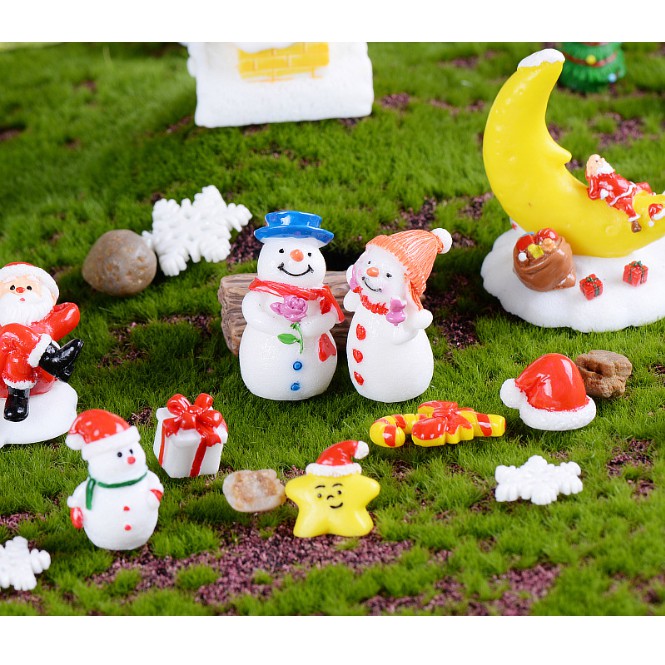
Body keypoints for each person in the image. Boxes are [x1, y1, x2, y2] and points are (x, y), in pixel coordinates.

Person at [0, 262, 83, 422]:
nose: (20, 290)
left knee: (18, 347)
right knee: (11, 332)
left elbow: (71, 310)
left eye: (29, 287)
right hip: (1, 376)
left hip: (41, 376)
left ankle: (18, 398)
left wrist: (49, 303)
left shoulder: (47, 321)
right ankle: (52, 360)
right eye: (12, 287)